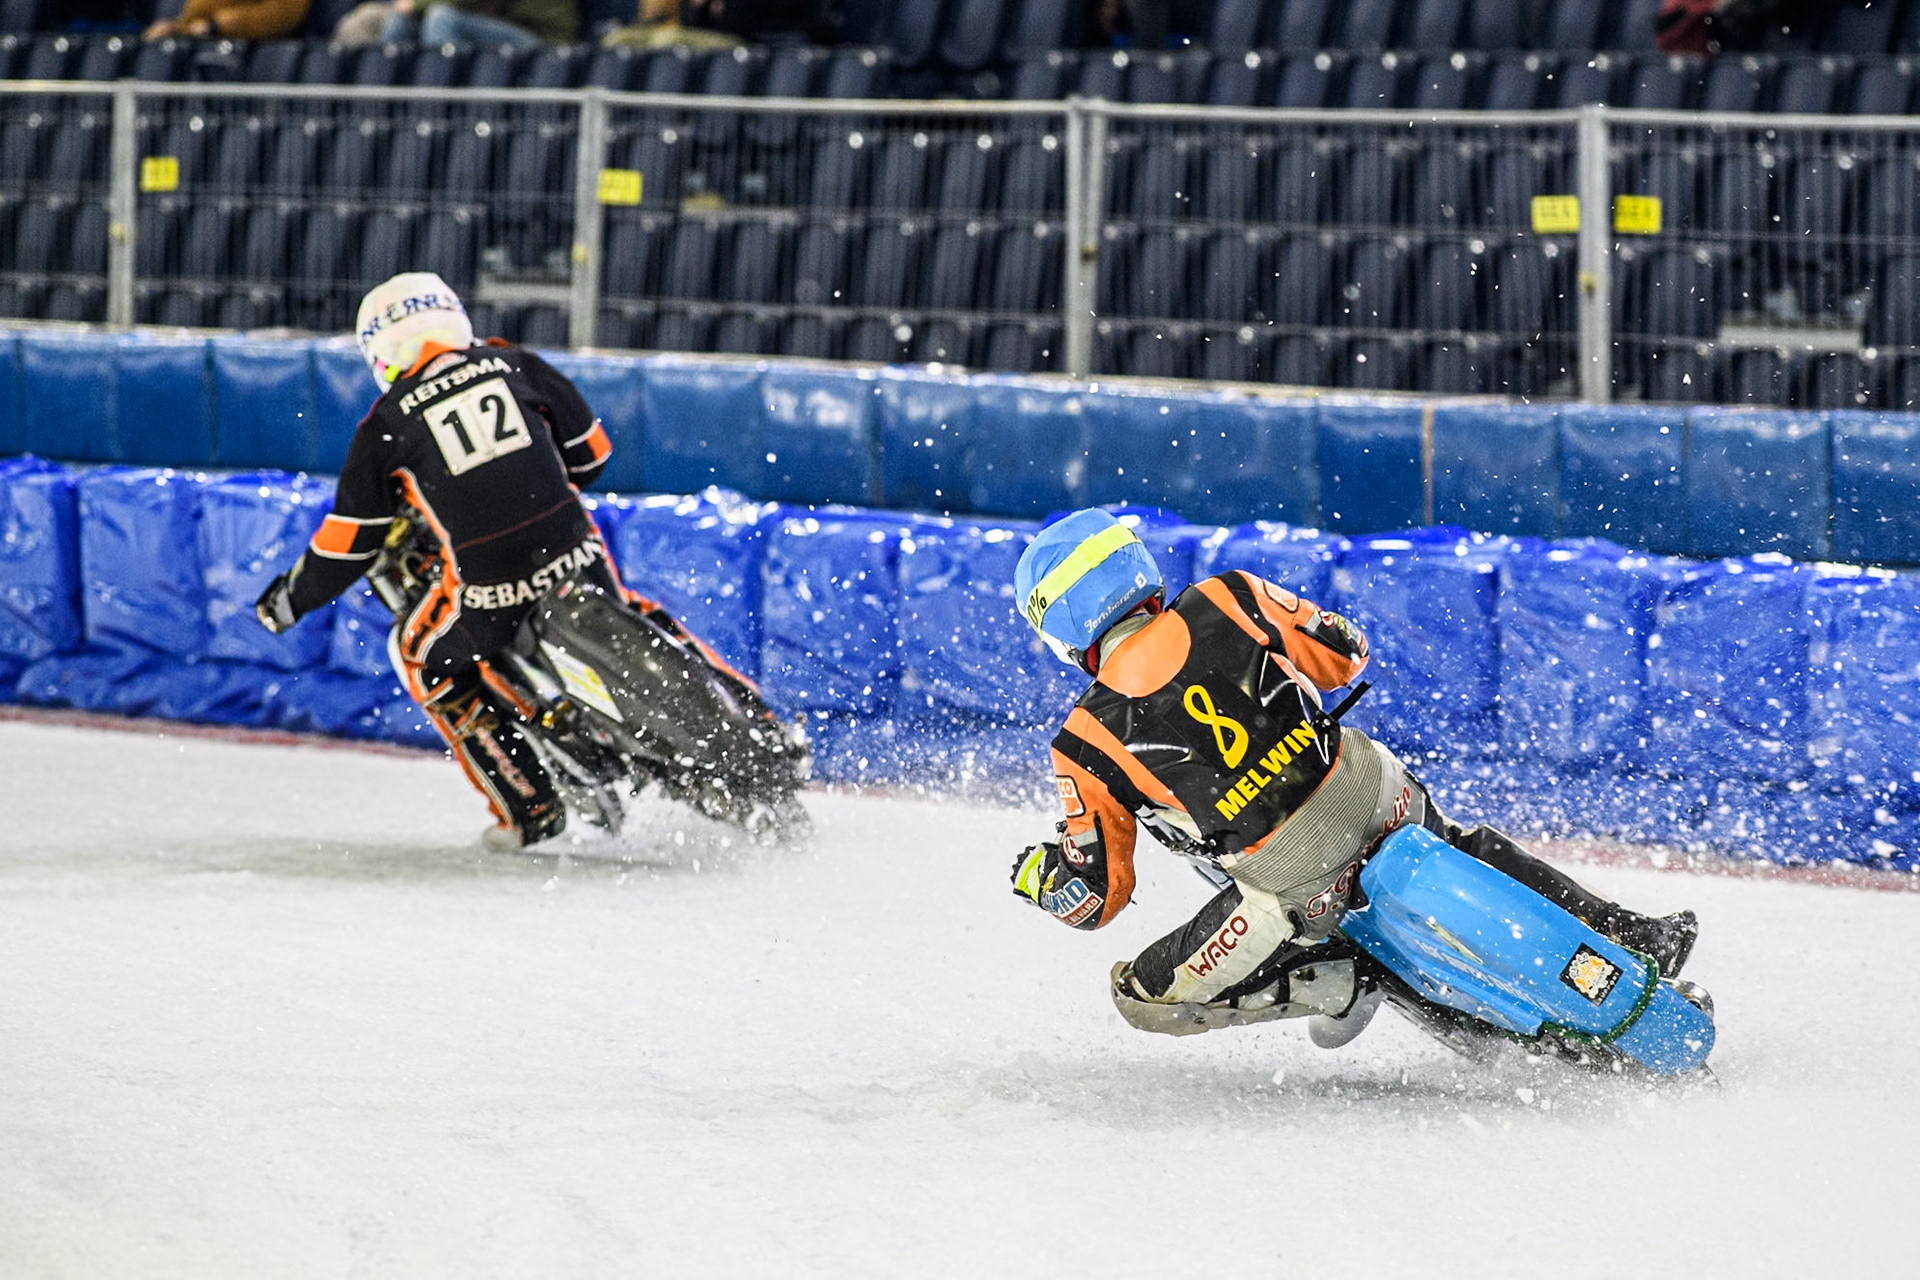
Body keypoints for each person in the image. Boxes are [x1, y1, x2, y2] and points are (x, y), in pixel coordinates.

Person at [1008, 509, 1699, 1040]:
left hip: (1296, 878)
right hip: (1373, 788)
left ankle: (1340, 980)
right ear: (1136, 566)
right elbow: (1346, 654)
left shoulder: (1083, 741)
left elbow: (1098, 898)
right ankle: (1632, 933)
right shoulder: (1228, 594)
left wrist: (1042, 880)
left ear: (1059, 630)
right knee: (1459, 841)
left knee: (1142, 995)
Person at [253, 272, 617, 851]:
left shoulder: (386, 423)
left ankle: (528, 805)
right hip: (579, 555)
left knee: (420, 656)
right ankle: (749, 715)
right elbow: (592, 458)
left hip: (490, 589)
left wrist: (287, 601)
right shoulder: (516, 363)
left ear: (381, 349)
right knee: (637, 610)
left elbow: (349, 546)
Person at [333, 0, 578, 48]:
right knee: (396, 22)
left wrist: (416, 4)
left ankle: (439, 102)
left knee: (441, 18)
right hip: (500, 25)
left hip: (543, 40)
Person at [144, 0, 308, 40]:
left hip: (255, 49)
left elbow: (279, 15)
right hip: (209, 36)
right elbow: (204, 8)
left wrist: (217, 25)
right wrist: (178, 27)